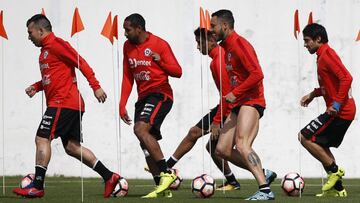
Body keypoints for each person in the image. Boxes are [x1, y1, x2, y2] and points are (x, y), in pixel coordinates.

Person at [12, 14, 121, 198]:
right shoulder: (45, 51)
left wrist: (96, 86)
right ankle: (110, 176)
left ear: (41, 30)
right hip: (69, 104)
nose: (28, 37)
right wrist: (37, 87)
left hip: (64, 102)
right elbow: (53, 77)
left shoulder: (57, 45)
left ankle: (37, 185)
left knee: (42, 138)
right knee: (72, 147)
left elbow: (80, 62)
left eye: (30, 32)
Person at [210, 9, 275, 200]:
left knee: (242, 143)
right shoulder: (227, 48)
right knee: (221, 149)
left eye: (213, 26)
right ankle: (264, 173)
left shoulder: (239, 44)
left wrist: (235, 93)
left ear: (224, 25)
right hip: (239, 102)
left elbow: (257, 74)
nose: (211, 30)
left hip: (252, 101)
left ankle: (265, 189)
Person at [166, 27, 241, 190]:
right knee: (207, 143)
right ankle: (233, 182)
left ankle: (165, 168)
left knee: (218, 147)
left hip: (229, 109)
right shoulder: (217, 58)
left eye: (200, 43)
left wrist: (216, 121)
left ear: (212, 41)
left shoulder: (218, 61)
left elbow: (227, 94)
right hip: (225, 107)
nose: (198, 47)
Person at [120, 13, 182, 198]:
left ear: (139, 28)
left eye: (127, 29)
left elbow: (178, 72)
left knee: (140, 129)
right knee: (145, 142)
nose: (124, 33)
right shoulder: (127, 46)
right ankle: (160, 189)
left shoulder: (159, 44)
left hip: (160, 94)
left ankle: (167, 174)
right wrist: (121, 104)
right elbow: (127, 76)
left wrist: (160, 61)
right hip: (143, 98)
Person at [299, 23, 355, 197]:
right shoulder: (321, 55)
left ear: (318, 39)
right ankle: (338, 189)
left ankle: (335, 170)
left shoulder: (327, 54)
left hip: (341, 111)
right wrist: (313, 94)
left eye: (307, 41)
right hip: (339, 110)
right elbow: (329, 84)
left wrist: (337, 104)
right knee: (321, 145)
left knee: (304, 136)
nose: (305, 44)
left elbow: (347, 78)